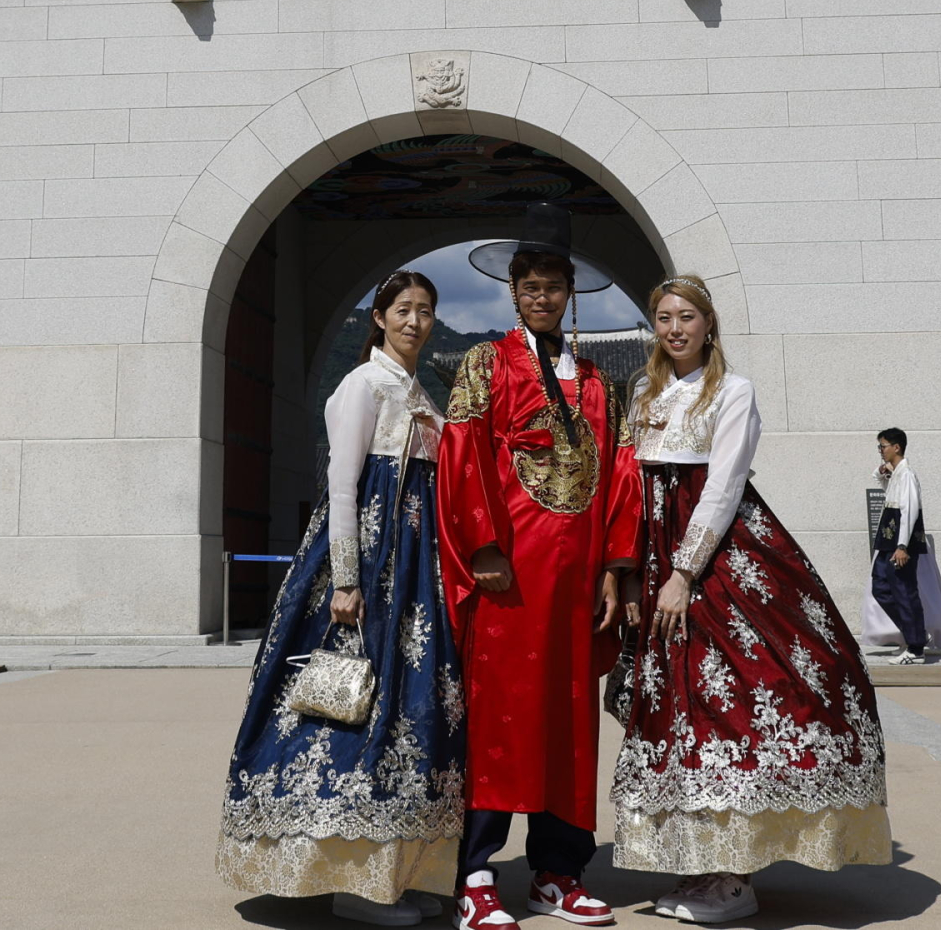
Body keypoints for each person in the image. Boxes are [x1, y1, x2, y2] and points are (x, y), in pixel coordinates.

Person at [614, 277, 891, 925]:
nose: (674, 327)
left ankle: (735, 873)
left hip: (718, 551)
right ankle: (701, 854)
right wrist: (630, 571)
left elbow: (725, 481)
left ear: (709, 324)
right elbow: (629, 481)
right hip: (655, 546)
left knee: (735, 694)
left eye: (687, 316)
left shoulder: (733, 391)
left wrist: (684, 570)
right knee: (677, 701)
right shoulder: (644, 391)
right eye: (663, 317)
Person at [218, 271, 461, 924]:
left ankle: (391, 870)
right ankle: (352, 882)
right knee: (350, 714)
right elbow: (344, 485)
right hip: (368, 571)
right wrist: (347, 581)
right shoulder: (364, 385)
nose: (416, 320)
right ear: (379, 316)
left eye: (426, 310)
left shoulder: (416, 390)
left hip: (413, 575)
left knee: (408, 717)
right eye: (404, 309)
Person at [438, 204, 641, 930]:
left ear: (569, 292)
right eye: (530, 285)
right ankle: (476, 872)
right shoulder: (485, 363)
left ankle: (559, 869)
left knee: (567, 719)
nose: (542, 296)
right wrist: (483, 548)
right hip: (510, 581)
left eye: (554, 285)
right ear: (514, 291)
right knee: (500, 715)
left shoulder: (596, 381)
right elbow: (461, 455)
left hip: (576, 582)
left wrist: (617, 568)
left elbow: (620, 475)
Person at [868, 428, 931, 664]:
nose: (881, 451)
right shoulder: (896, 475)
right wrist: (882, 471)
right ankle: (914, 634)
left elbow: (909, 511)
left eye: (883, 446)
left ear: (897, 447)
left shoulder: (907, 476)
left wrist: (903, 545)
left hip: (899, 545)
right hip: (888, 543)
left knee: (905, 592)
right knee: (881, 588)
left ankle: (916, 649)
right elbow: (879, 481)